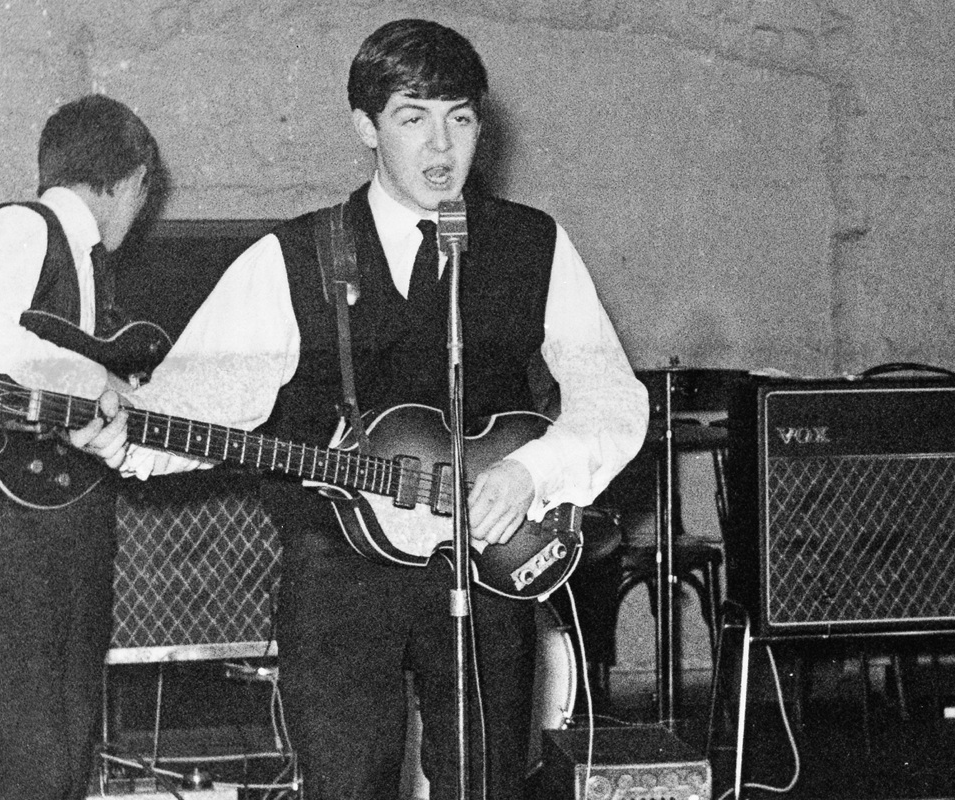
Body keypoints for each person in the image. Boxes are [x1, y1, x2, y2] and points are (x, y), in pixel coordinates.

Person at [73, 19, 648, 800]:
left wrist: (529, 471)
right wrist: (124, 435)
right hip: (340, 577)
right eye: (414, 118)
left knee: (489, 785)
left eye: (461, 119)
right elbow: (197, 401)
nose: (442, 147)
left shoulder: (533, 244)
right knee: (347, 786)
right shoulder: (295, 257)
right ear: (366, 127)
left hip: (488, 567)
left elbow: (614, 399)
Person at [0, 94, 162, 800]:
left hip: (70, 521)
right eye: (145, 194)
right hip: (10, 525)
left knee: (65, 758)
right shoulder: (19, 227)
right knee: (35, 760)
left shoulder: (93, 269)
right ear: (129, 181)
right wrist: (98, 380)